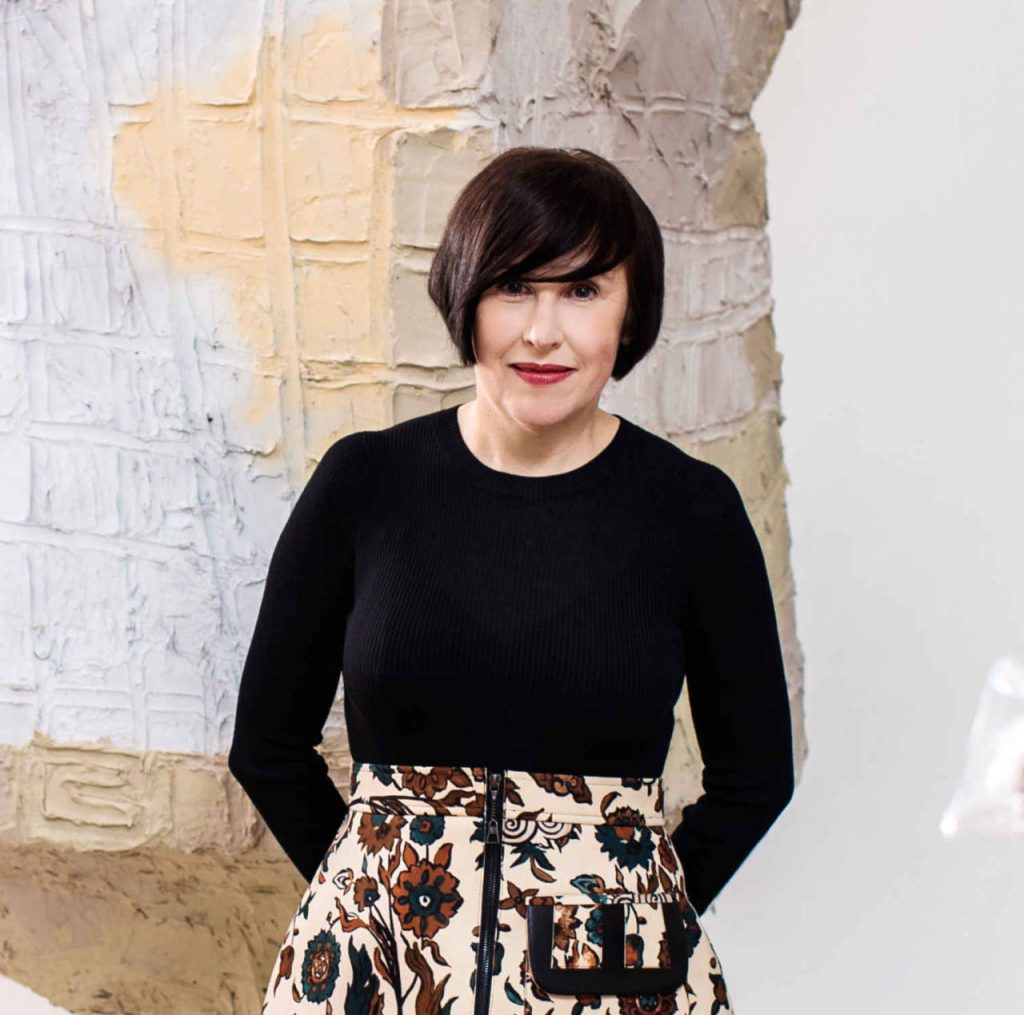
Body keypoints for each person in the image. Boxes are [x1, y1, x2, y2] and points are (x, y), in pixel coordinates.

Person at [228, 145, 795, 1015]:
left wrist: (639, 916)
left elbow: (755, 775)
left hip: (611, 984)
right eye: (514, 286)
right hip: (374, 977)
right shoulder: (366, 482)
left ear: (630, 311)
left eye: (583, 290)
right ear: (467, 297)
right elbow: (267, 745)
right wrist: (364, 896)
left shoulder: (693, 511)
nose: (542, 331)